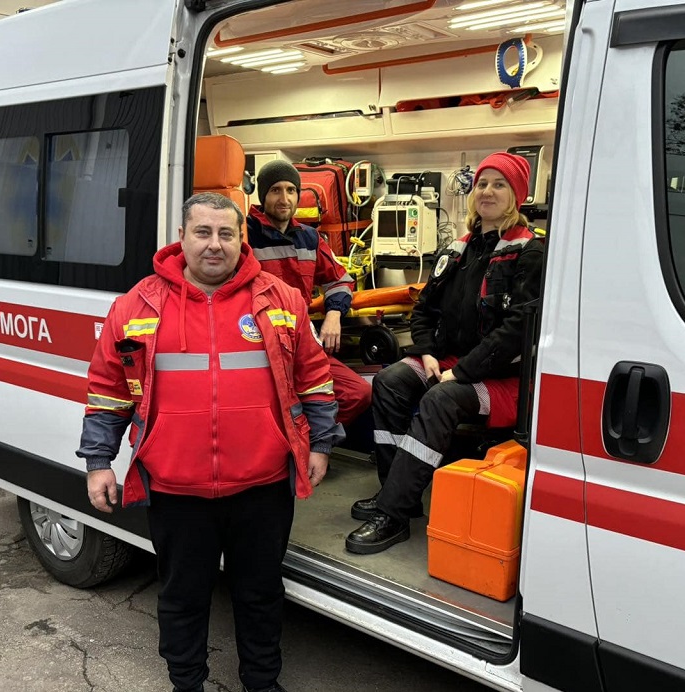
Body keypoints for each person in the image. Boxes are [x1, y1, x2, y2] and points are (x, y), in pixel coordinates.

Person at [76, 192, 345, 692]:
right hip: (177, 489)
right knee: (183, 596)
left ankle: (262, 683)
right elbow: (108, 389)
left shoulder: (281, 299)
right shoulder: (137, 305)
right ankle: (187, 684)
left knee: (261, 594)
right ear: (182, 238)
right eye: (203, 232)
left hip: (263, 486)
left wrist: (322, 445)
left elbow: (314, 378)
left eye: (226, 233)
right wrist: (98, 461)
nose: (215, 245)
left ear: (242, 238)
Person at [344, 152, 544, 555]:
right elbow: (425, 308)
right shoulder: (458, 248)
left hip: (499, 376)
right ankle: (397, 493)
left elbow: (517, 330)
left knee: (439, 398)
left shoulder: (530, 253)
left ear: (517, 195)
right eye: (482, 183)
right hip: (449, 361)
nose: (487, 191)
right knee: (390, 381)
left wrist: (463, 371)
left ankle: (393, 515)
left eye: (499, 184)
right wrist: (428, 351)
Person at [247, 160, 372, 426]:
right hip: (259, 346)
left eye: (291, 190)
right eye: (276, 190)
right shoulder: (244, 236)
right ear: (263, 194)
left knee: (358, 394)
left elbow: (339, 279)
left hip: (302, 343)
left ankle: (311, 442)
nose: (284, 198)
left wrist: (334, 314)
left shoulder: (310, 238)